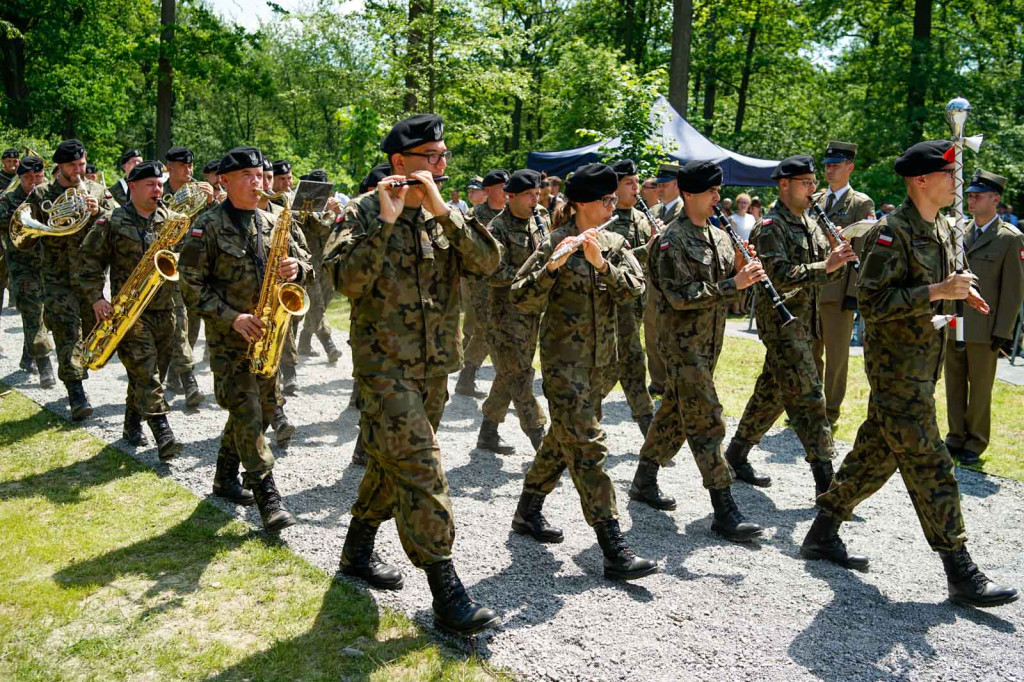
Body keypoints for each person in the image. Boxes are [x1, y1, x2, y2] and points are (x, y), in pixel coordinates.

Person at [803, 140, 1018, 609]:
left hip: (924, 367)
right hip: (896, 371)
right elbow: (875, 306)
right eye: (949, 174)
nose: (957, 184)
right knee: (931, 464)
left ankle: (822, 532)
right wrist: (938, 289)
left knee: (874, 455)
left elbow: (935, 287)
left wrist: (957, 292)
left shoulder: (942, 227)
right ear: (921, 180)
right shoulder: (891, 232)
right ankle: (960, 570)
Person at [325, 114, 500, 635]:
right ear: (401, 162)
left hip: (434, 367)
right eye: (432, 157)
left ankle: (356, 550)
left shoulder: (446, 215)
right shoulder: (361, 213)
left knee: (392, 460)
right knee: (422, 468)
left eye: (444, 157)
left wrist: (445, 213)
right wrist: (385, 220)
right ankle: (446, 592)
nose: (441, 166)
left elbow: (489, 263)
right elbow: (346, 281)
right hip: (383, 368)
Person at [509, 162, 657, 582]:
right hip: (564, 365)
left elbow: (637, 288)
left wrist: (602, 265)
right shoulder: (554, 242)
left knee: (563, 438)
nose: (614, 204)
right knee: (589, 449)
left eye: (614, 198)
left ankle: (527, 510)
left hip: (601, 366)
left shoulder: (613, 242)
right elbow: (520, 296)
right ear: (581, 204)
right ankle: (614, 548)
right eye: (607, 199)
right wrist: (553, 267)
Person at [628, 160, 766, 542]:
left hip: (709, 344)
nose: (717, 198)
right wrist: (732, 283)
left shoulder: (720, 237)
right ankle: (724, 509)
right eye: (710, 192)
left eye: (719, 192)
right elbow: (679, 296)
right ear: (689, 194)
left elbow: (728, 292)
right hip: (681, 345)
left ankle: (643, 480)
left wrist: (741, 273)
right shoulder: (672, 240)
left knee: (674, 412)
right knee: (707, 420)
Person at [178, 146, 312, 532]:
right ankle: (268, 496)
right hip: (229, 341)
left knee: (264, 410)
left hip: (269, 336)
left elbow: (311, 268)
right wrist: (232, 317)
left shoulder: (276, 221)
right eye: (248, 177)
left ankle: (223, 478)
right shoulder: (206, 226)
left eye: (261, 176)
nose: (258, 183)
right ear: (225, 180)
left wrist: (297, 267)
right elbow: (190, 286)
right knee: (249, 414)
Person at [723, 154, 857, 498]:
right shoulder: (771, 227)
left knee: (772, 392)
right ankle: (828, 483)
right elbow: (778, 276)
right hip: (782, 325)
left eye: (814, 183)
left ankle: (736, 454)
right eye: (806, 183)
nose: (813, 189)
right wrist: (824, 265)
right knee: (811, 398)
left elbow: (826, 275)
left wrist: (838, 259)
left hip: (806, 322)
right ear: (784, 185)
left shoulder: (811, 222)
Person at [77, 160, 185, 460]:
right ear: (133, 186)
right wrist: (98, 298)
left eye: (160, 184)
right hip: (129, 314)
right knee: (147, 374)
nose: (157, 189)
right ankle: (164, 434)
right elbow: (89, 263)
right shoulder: (112, 221)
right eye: (150, 184)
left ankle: (131, 423)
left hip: (166, 310)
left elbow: (190, 261)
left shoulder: (173, 220)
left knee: (150, 374)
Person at [25, 139, 117, 420]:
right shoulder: (42, 194)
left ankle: (79, 371)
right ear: (59, 167)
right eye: (72, 166)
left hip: (91, 278)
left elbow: (120, 220)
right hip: (57, 277)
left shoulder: (98, 191)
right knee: (67, 333)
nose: (79, 170)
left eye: (82, 164)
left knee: (91, 334)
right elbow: (26, 231)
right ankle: (76, 392)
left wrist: (98, 212)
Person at [944, 170, 1024, 465]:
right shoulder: (958, 233)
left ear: (996, 199)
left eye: (978, 196)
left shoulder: (1009, 239)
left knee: (979, 387)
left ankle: (975, 441)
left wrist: (1004, 330)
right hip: (955, 321)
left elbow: (1013, 291)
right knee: (953, 382)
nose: (972, 200)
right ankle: (954, 436)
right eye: (970, 195)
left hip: (985, 327)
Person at [475, 169, 549, 454]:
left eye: (538, 194)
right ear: (511, 196)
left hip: (532, 314)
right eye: (530, 195)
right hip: (505, 316)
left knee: (509, 373)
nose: (535, 200)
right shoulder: (497, 228)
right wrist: (529, 276)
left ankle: (488, 432)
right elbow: (492, 271)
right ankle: (539, 437)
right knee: (519, 376)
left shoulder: (538, 222)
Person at [813, 141, 876, 429]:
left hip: (838, 292)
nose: (830, 169)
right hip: (811, 286)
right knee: (810, 351)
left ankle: (830, 411)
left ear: (850, 167)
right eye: (827, 165)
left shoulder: (860, 203)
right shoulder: (816, 199)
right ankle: (810, 405)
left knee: (836, 356)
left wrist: (853, 295)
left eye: (836, 165)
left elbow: (860, 251)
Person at [594, 158, 655, 436]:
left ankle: (646, 426)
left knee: (630, 363)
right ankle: (586, 419)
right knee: (614, 366)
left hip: (635, 307)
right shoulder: (603, 218)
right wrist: (647, 250)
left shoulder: (642, 218)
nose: (636, 188)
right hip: (611, 307)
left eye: (637, 182)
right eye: (629, 183)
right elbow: (609, 262)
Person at [0, 155, 56, 388]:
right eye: (28, 177)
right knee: (32, 310)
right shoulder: (8, 199)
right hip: (23, 265)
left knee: (42, 314)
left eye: (38, 177)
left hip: (51, 264)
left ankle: (27, 355)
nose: (34, 181)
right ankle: (45, 364)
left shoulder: (52, 196)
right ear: (19, 177)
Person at [162, 145, 211, 408]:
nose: (189, 170)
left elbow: (213, 223)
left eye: (191, 166)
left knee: (192, 325)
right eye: (183, 166)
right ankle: (190, 381)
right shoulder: (158, 192)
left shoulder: (199, 192)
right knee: (179, 323)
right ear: (169, 167)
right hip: (169, 266)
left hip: (196, 266)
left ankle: (173, 375)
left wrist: (215, 199)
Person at [455, 168, 508, 397]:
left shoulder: (512, 213)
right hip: (481, 282)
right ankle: (510, 384)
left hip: (507, 281)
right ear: (488, 191)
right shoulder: (474, 217)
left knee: (492, 329)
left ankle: (467, 378)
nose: (507, 189)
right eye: (502, 186)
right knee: (488, 328)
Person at [295, 169, 344, 365]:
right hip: (308, 265)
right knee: (316, 304)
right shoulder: (302, 207)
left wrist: (338, 215)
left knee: (324, 300)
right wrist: (329, 213)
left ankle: (305, 342)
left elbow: (336, 234)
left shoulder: (331, 206)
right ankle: (329, 344)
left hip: (326, 264)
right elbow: (318, 227)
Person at [645, 163, 683, 396]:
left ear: (677, 185)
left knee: (671, 332)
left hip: (673, 278)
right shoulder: (655, 210)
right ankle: (657, 381)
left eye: (665, 184)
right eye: (658, 184)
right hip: (654, 278)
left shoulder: (683, 210)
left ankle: (671, 381)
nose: (660, 188)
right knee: (651, 331)